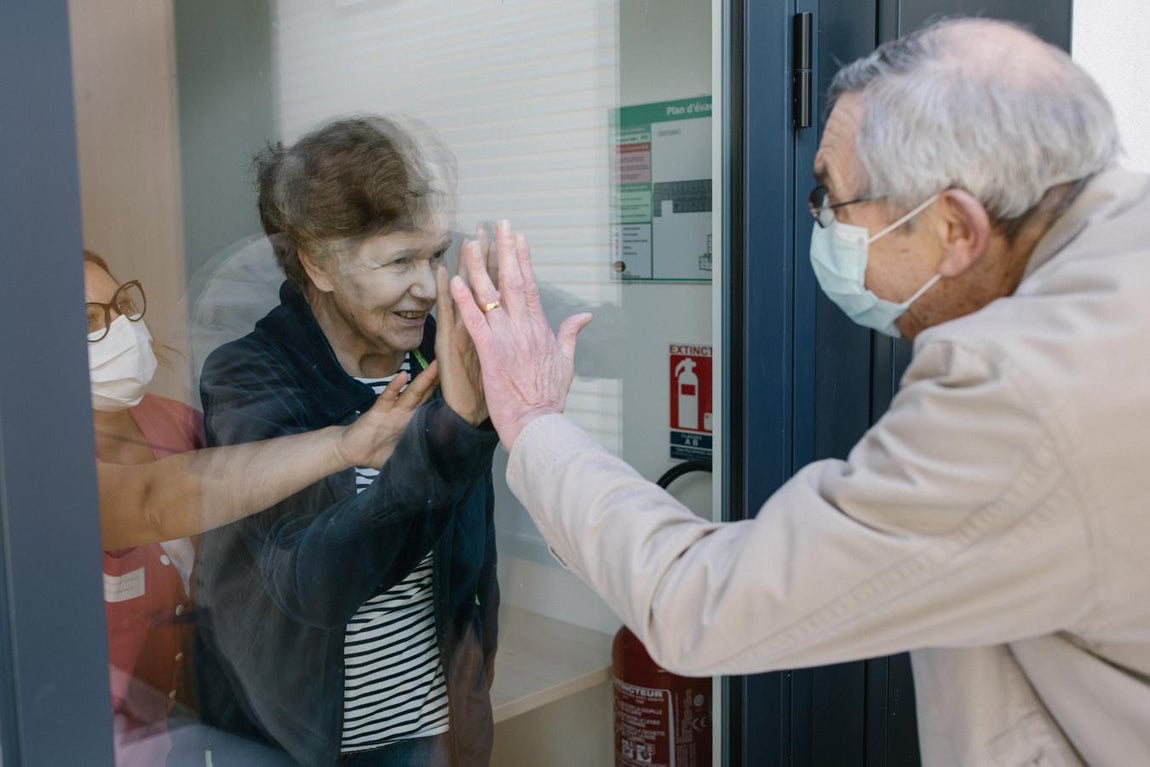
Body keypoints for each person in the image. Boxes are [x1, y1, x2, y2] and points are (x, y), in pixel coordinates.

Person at [450, 19, 1150, 766]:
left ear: (954, 226)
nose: (821, 226)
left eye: (834, 203)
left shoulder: (1025, 386)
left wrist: (531, 418)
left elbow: (702, 603)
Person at [193, 116, 499, 767]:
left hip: (430, 730)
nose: (428, 285)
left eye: (435, 256)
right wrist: (445, 443)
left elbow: (473, 563)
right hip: (294, 742)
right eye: (400, 261)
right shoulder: (248, 379)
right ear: (317, 262)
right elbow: (313, 583)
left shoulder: (443, 358)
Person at [86, 250, 436, 767]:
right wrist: (344, 445)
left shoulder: (178, 424)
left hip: (187, 728)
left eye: (120, 307)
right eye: (91, 321)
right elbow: (151, 500)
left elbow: (252, 506)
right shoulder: (33, 468)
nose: (120, 329)